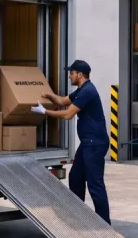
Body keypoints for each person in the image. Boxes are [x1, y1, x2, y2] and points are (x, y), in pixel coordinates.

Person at [32, 60, 111, 224]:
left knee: (95, 183)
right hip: (88, 142)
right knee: (75, 177)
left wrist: (45, 111)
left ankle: (105, 224)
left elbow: (68, 114)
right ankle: (78, 215)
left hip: (95, 143)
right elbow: (62, 101)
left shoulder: (88, 91)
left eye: (72, 73)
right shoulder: (81, 90)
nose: (69, 75)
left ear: (80, 75)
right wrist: (49, 95)